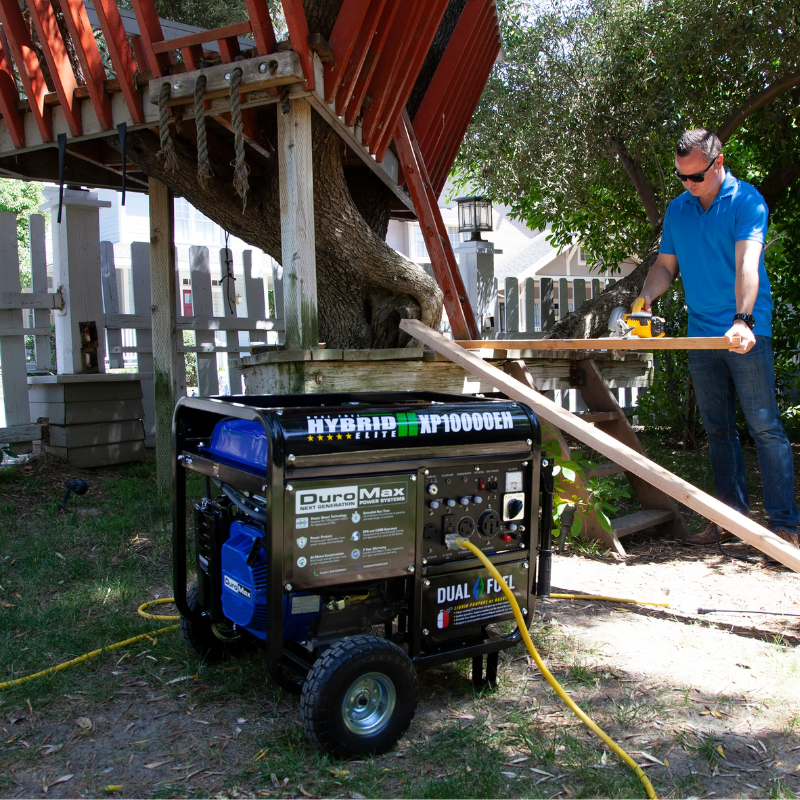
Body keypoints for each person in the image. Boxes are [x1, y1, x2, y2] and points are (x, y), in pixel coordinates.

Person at [637, 128, 799, 548]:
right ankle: (730, 521)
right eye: (682, 178)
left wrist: (743, 319)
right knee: (718, 430)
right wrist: (646, 297)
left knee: (765, 427)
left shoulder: (747, 201)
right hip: (701, 334)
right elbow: (665, 266)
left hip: (745, 331)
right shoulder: (678, 210)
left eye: (696, 177)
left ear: (718, 162)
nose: (689, 186)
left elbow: (748, 264)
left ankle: (785, 528)